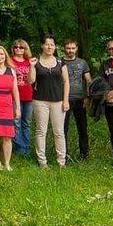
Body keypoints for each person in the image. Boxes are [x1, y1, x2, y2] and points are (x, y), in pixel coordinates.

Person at [29, 36, 69, 168]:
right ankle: (42, 161)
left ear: (55, 47)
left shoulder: (60, 62)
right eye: (47, 44)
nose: (49, 47)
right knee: (41, 131)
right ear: (42, 46)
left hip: (58, 101)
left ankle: (61, 161)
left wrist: (66, 100)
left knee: (59, 132)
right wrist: (31, 66)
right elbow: (31, 80)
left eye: (52, 45)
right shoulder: (36, 61)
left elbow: (66, 82)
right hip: (40, 101)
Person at [63, 39, 91, 161]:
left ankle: (84, 154)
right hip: (64, 99)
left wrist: (87, 96)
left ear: (76, 48)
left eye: (73, 48)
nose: (70, 50)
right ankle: (64, 154)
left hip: (80, 99)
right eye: (68, 48)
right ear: (64, 49)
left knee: (82, 128)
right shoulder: (60, 62)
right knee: (63, 129)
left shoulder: (82, 63)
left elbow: (89, 81)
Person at [10, 39, 34, 156]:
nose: (18, 49)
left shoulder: (29, 62)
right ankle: (20, 148)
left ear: (25, 49)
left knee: (26, 123)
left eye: (21, 47)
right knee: (16, 123)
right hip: (14, 96)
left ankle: (26, 148)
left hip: (28, 95)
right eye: (16, 47)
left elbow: (33, 80)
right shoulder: (10, 61)